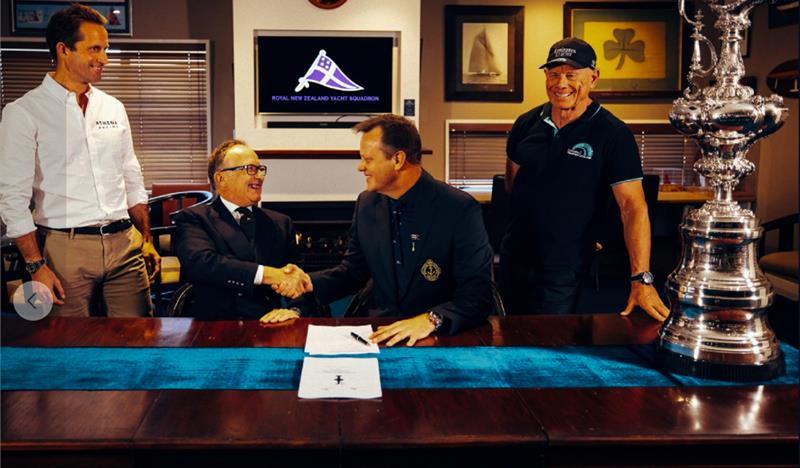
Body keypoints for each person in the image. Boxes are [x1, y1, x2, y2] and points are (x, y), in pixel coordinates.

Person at [261, 114, 494, 346]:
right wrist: (307, 281)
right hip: (377, 335)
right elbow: (353, 272)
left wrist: (430, 320)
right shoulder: (367, 203)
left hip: (437, 338)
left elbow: (477, 295)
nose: (360, 167)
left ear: (398, 159)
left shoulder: (459, 208)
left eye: (368, 159)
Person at [0, 3, 159, 317]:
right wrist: (36, 266)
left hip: (124, 244)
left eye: (106, 49)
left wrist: (147, 240)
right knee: (67, 348)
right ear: (63, 50)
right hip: (63, 249)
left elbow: (131, 177)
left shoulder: (113, 107)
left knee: (139, 340)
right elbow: (12, 198)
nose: (104, 59)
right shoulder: (23, 112)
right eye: (95, 49)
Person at [498, 37, 669, 322]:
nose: (560, 83)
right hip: (515, 258)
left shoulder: (612, 133)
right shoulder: (526, 123)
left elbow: (633, 208)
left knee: (551, 346)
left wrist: (642, 278)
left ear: (593, 77)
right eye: (554, 74)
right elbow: (512, 182)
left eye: (571, 74)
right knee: (506, 338)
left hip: (565, 266)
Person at [174, 140, 314, 320]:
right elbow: (204, 264)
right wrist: (268, 275)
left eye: (260, 169)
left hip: (268, 324)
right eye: (250, 169)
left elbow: (297, 276)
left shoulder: (280, 222)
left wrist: (294, 311)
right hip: (213, 327)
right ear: (221, 179)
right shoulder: (194, 218)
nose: (259, 176)